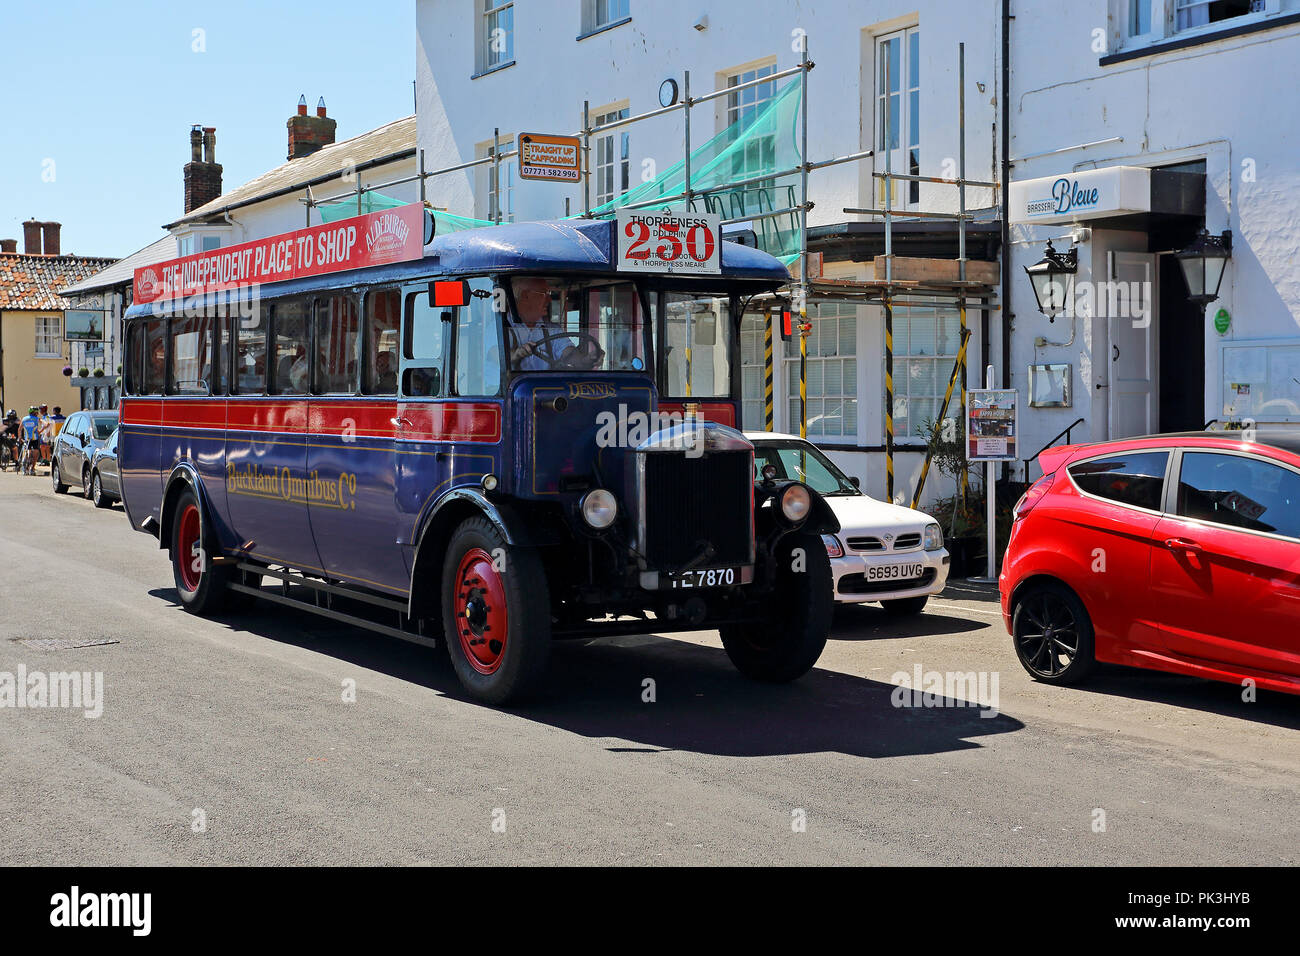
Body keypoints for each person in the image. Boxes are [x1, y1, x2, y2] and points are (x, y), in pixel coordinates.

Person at [507, 278, 602, 371]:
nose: (549, 299)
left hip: (546, 385)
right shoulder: (500, 325)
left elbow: (569, 354)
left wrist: (586, 360)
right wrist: (517, 354)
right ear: (525, 295)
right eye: (544, 293)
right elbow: (496, 357)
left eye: (549, 294)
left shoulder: (551, 329)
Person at [19, 406, 40, 475]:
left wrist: (20, 438)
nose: (38, 413)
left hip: (26, 439)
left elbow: (19, 429)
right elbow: (45, 424)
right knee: (36, 453)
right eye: (37, 412)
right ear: (34, 413)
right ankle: (32, 468)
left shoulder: (24, 419)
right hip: (35, 439)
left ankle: (25, 467)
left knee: (28, 452)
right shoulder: (36, 419)